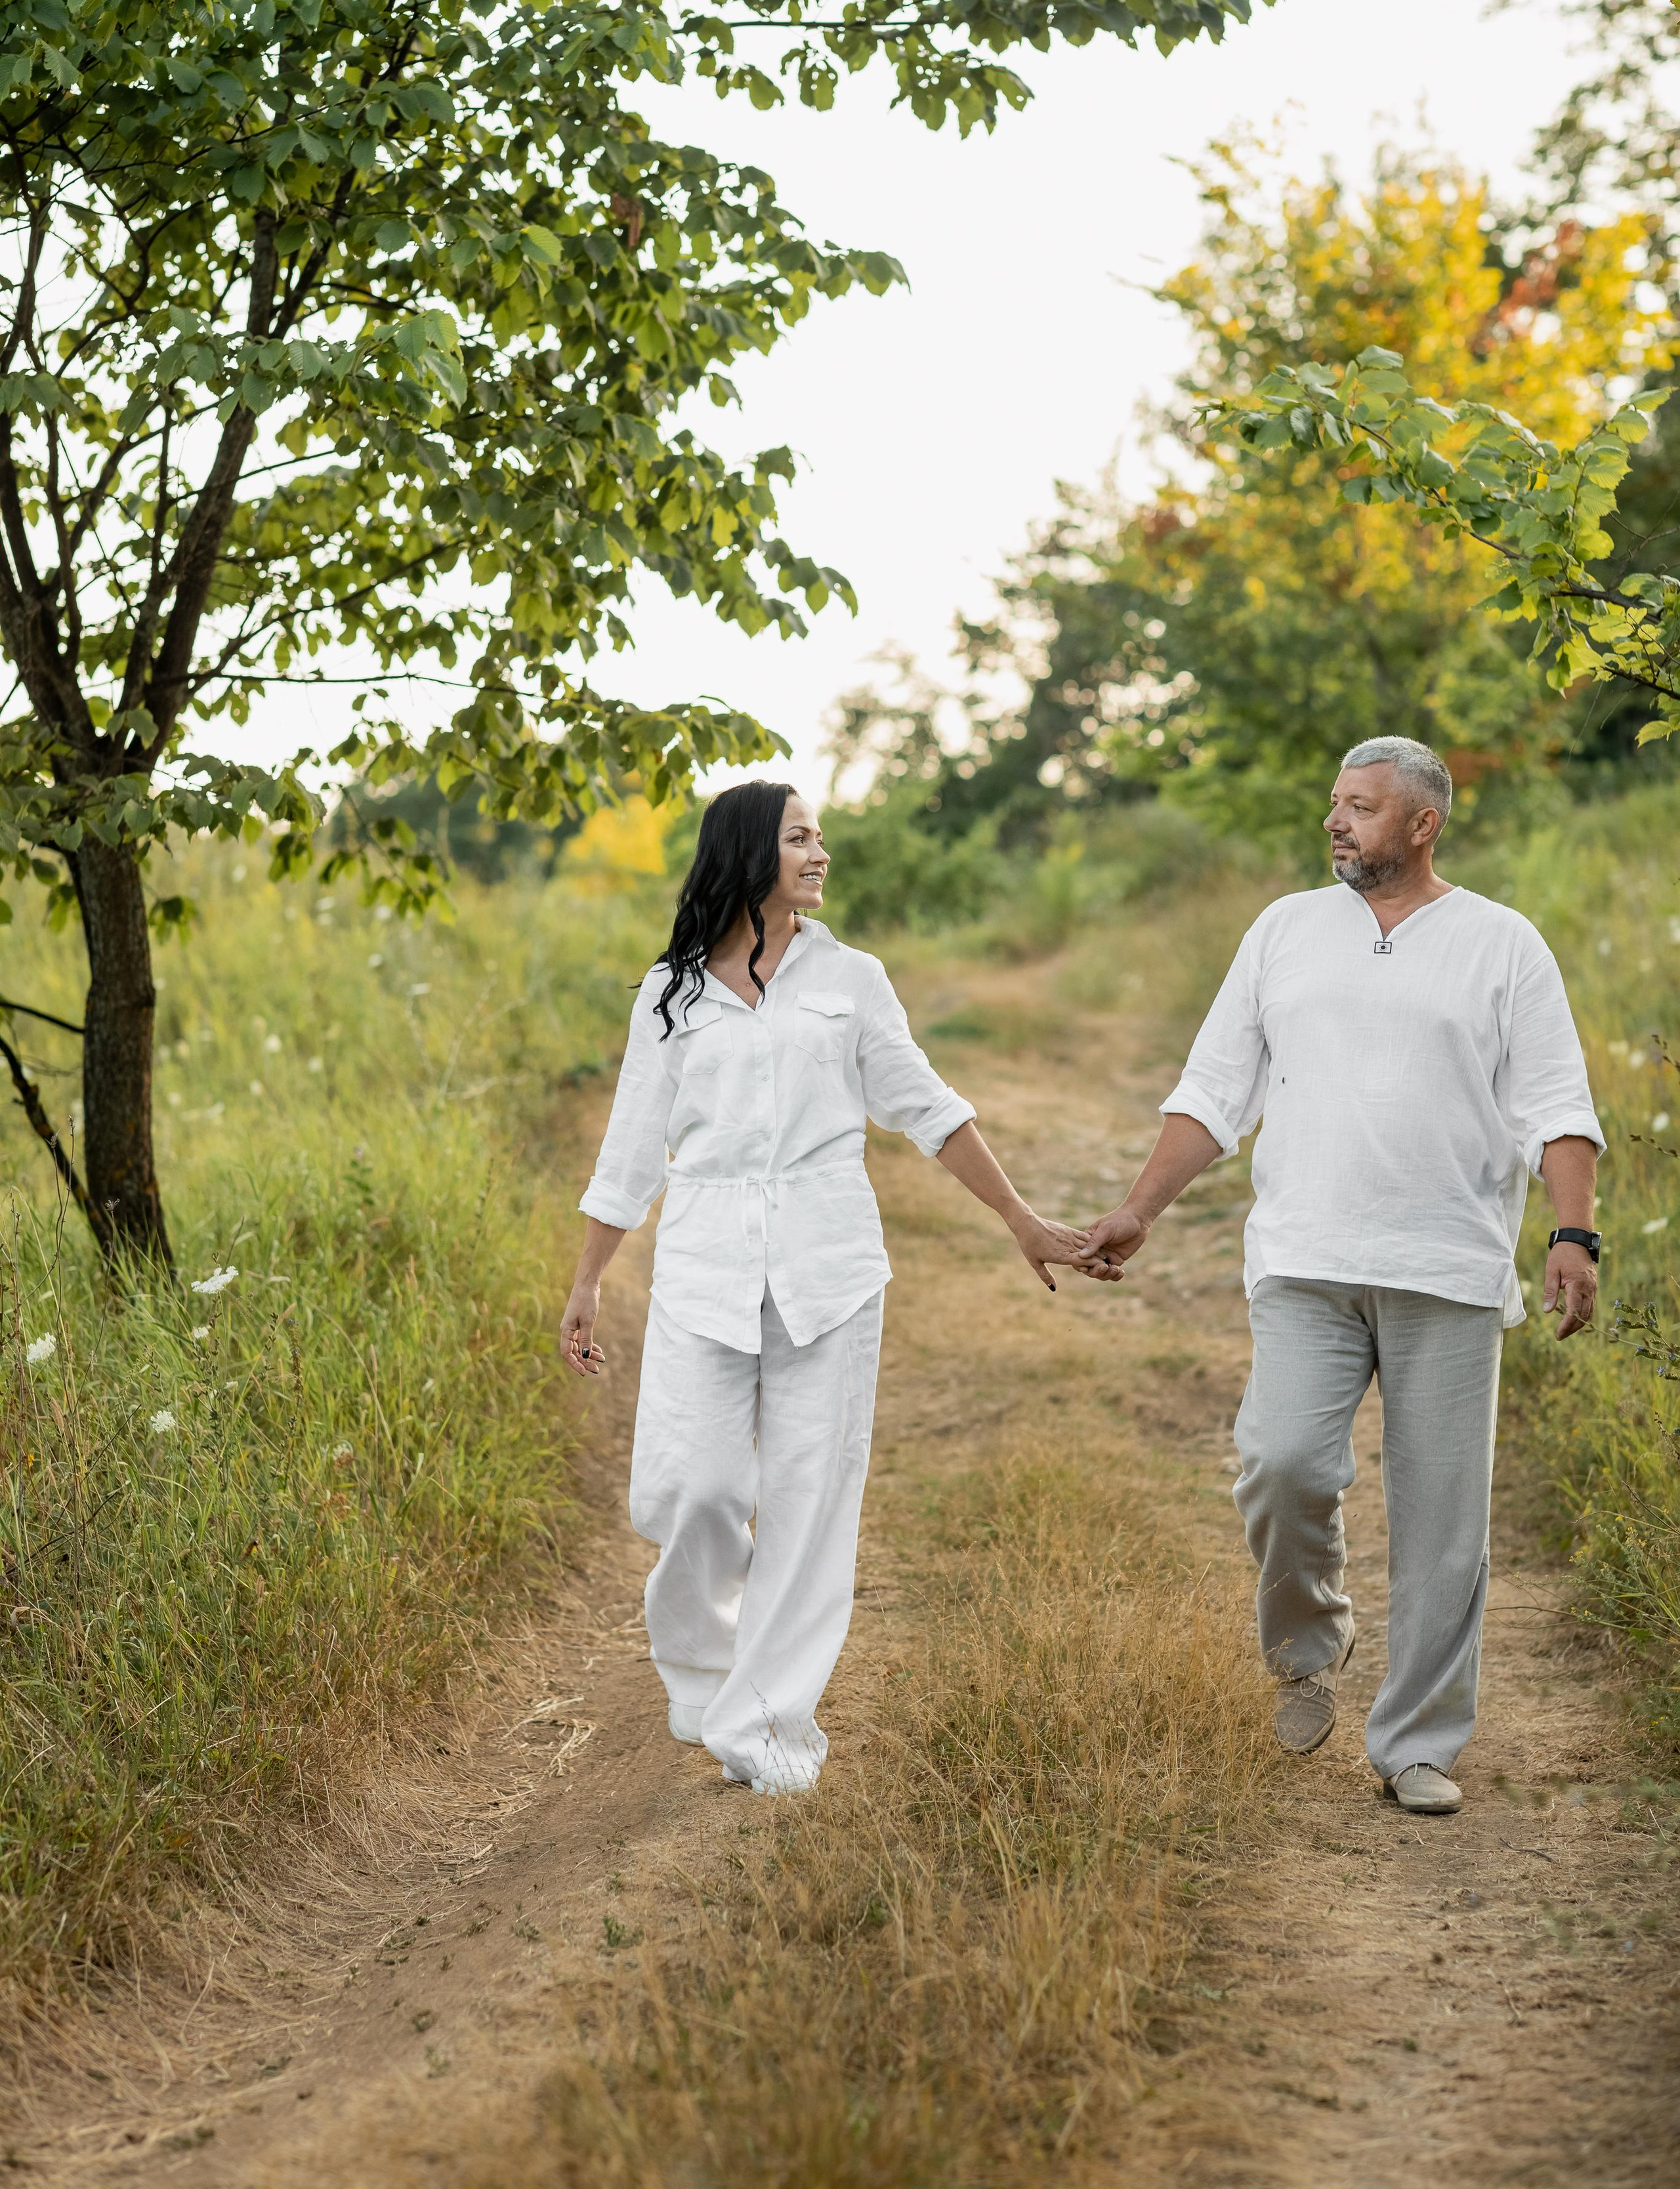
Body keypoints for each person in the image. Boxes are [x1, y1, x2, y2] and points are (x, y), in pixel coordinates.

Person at [1074, 736, 1603, 1816]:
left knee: (1444, 1522)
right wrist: (1137, 1208)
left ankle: (1417, 1743)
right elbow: (1214, 1090)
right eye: (1335, 803)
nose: (1335, 821)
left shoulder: (1503, 944)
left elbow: (1557, 1102)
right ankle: (1309, 1646)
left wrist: (1573, 1233)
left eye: (1361, 807)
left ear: (1424, 824)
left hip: (1445, 1265)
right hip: (1305, 1257)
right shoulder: (1284, 930)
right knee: (1280, 1462)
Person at [560, 780, 1090, 1795]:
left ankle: (768, 1729)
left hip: (830, 1268)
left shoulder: (854, 979)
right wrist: (589, 1279)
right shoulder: (671, 992)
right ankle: (704, 1667)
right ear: (748, 854)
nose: (820, 853)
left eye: (819, 836)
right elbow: (630, 1148)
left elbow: (928, 1109)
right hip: (705, 1266)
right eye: (800, 837)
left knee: (809, 1504)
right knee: (695, 1488)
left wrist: (1020, 1218)